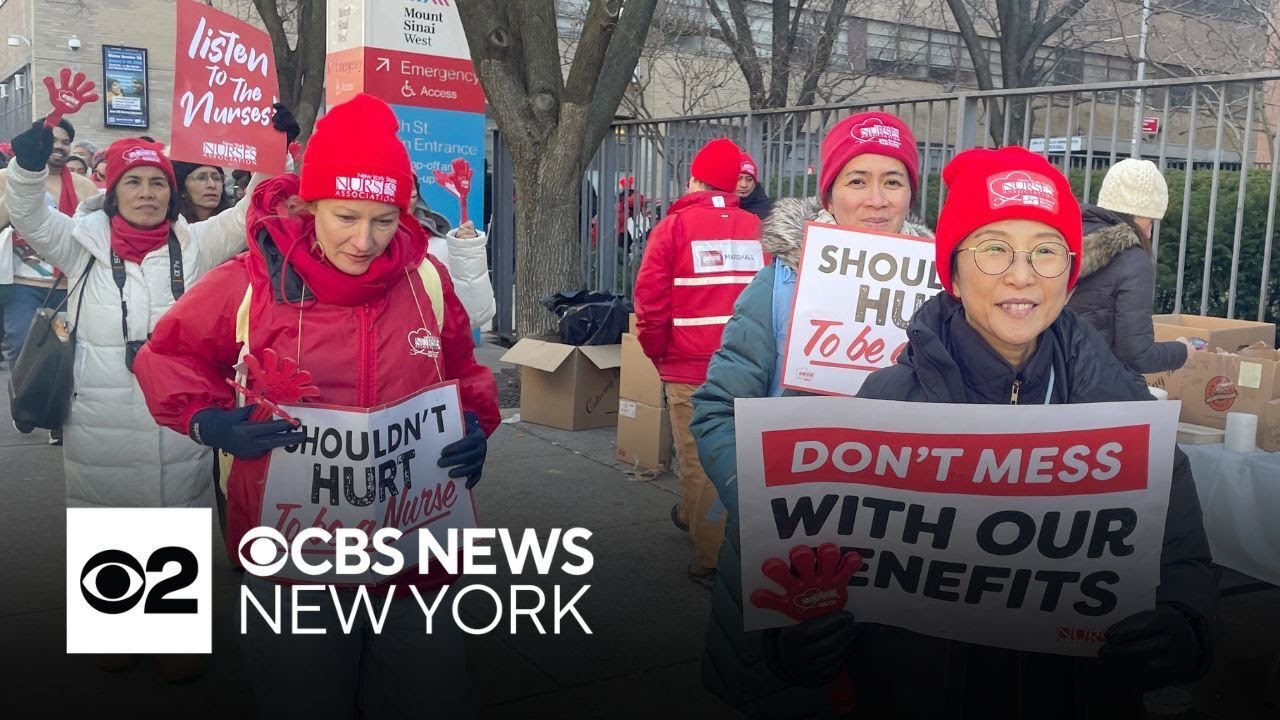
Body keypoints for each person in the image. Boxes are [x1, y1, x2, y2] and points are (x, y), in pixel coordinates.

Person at [697, 146, 1220, 718]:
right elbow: (815, 566)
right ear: (951, 270)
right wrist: (796, 644)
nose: (1021, 275)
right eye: (994, 248)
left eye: (1046, 252)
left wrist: (1184, 629)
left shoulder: (1124, 410)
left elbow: (1183, 563)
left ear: (1070, 278)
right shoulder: (886, 402)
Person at [134, 93, 500, 718]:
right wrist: (208, 418)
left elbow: (463, 370)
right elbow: (167, 356)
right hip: (293, 560)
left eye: (384, 219)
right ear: (309, 206)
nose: (365, 239)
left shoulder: (427, 280)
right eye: (346, 216)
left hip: (415, 555)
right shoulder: (249, 280)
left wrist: (474, 425)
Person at [686, 110, 936, 716]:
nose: (876, 200)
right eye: (857, 180)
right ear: (829, 190)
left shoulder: (945, 291)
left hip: (905, 556)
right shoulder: (776, 287)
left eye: (893, 181)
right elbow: (716, 409)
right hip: (789, 548)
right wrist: (759, 496)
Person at [633, 137, 765, 589]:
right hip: (746, 363)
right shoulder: (755, 228)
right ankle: (692, 515)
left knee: (697, 455)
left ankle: (710, 557)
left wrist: (656, 352)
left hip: (689, 365)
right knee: (736, 449)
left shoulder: (673, 228)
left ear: (693, 178)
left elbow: (650, 303)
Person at [1069, 158, 1193, 374]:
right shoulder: (1132, 260)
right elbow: (1136, 355)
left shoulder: (1062, 240)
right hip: (1096, 386)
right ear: (1135, 216)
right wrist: (1182, 351)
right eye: (1149, 221)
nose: (1149, 232)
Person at [0, 118, 100, 370]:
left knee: (64, 355)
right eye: (53, 140)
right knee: (22, 346)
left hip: (71, 285)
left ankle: (58, 408)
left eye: (65, 142)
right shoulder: (7, 178)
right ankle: (24, 407)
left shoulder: (85, 187)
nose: (60, 146)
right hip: (25, 285)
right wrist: (22, 189)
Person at [410, 175, 497, 330]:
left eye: (410, 191)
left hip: (430, 350)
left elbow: (473, 315)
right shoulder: (358, 246)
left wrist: (467, 252)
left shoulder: (439, 248)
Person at [736, 151, 773, 220]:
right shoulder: (719, 203)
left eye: (749, 180)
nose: (744, 185)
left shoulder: (766, 211)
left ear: (755, 183)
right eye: (738, 179)